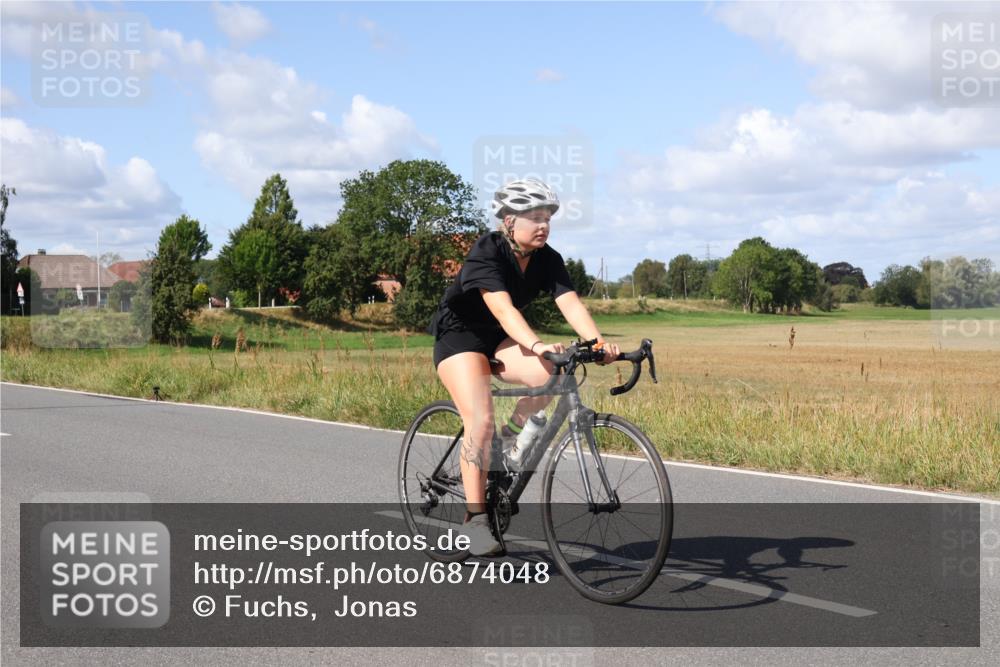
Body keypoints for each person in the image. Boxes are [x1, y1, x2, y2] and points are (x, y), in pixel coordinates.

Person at [429, 178, 620, 555]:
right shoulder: (487, 251)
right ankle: (474, 520)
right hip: (460, 337)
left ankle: (509, 436)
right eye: (534, 217)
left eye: (548, 216)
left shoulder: (547, 258)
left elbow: (569, 302)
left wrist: (598, 343)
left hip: (500, 337)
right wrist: (535, 344)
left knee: (552, 373)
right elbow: (503, 308)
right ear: (509, 221)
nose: (544, 225)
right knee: (478, 420)